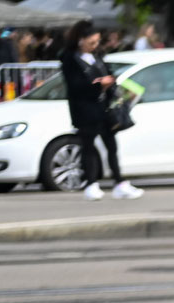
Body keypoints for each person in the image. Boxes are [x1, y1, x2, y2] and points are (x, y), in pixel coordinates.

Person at [57, 20, 140, 200]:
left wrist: (111, 85)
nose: (94, 46)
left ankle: (119, 183)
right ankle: (91, 184)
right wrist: (97, 86)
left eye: (96, 42)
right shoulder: (69, 58)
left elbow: (108, 74)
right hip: (84, 109)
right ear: (80, 40)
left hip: (104, 108)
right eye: (91, 42)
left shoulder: (97, 56)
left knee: (111, 146)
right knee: (88, 147)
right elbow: (74, 85)